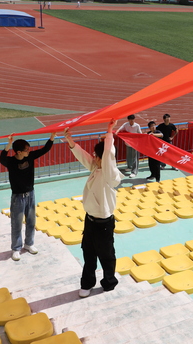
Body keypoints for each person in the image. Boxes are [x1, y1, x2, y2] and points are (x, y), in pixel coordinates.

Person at [64, 121, 123, 298]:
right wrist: (71, 141)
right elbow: (84, 157)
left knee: (106, 255)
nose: (93, 157)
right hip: (90, 221)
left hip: (103, 224)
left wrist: (110, 132)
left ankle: (109, 282)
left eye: (96, 155)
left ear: (102, 157)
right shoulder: (95, 167)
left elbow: (109, 156)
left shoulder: (110, 174)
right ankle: (87, 284)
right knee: (88, 253)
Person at [0, 133, 56, 261]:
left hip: (31, 194)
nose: (29, 151)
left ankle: (29, 244)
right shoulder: (11, 162)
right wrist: (9, 144)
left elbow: (45, 149)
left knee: (31, 221)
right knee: (17, 223)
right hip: (18, 197)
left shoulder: (30, 156)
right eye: (26, 150)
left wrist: (52, 137)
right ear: (19, 152)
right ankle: (16, 248)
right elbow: (1, 158)